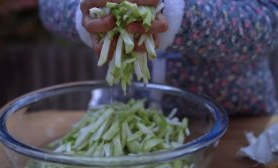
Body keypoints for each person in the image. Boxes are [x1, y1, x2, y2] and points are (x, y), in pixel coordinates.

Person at [38, 0, 278, 115]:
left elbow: (270, 21)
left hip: (237, 123)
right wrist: (90, 14)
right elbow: (49, 6)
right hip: (120, 115)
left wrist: (176, 16)